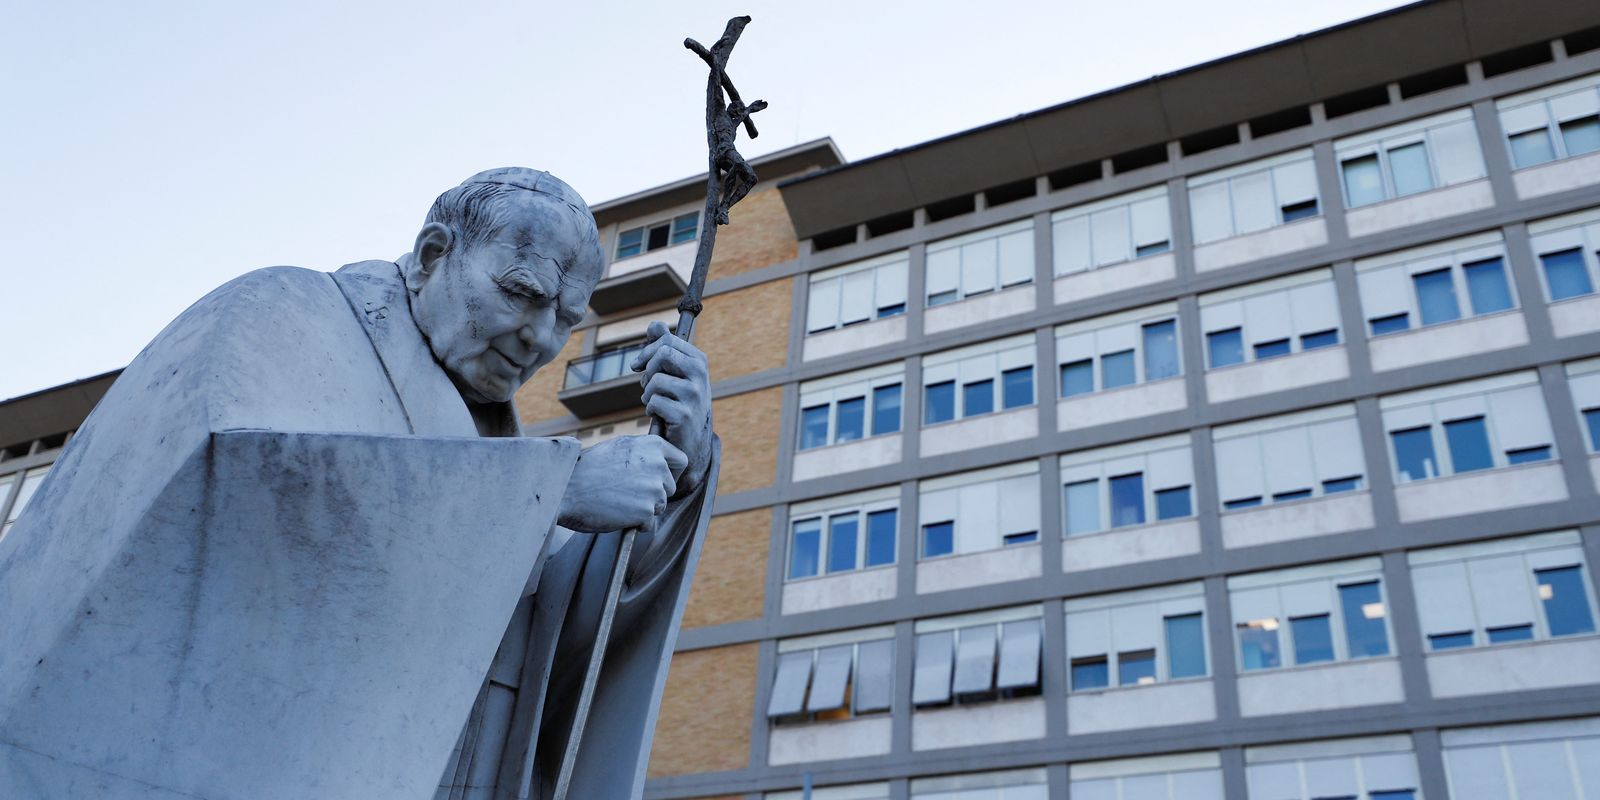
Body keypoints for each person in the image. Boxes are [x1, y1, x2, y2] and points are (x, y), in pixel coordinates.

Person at [0, 168, 716, 800]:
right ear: (434, 255)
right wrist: (546, 494)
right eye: (520, 293)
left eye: (565, 317)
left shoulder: (496, 440)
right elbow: (225, 502)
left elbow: (547, 637)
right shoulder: (282, 311)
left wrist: (673, 481)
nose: (540, 338)